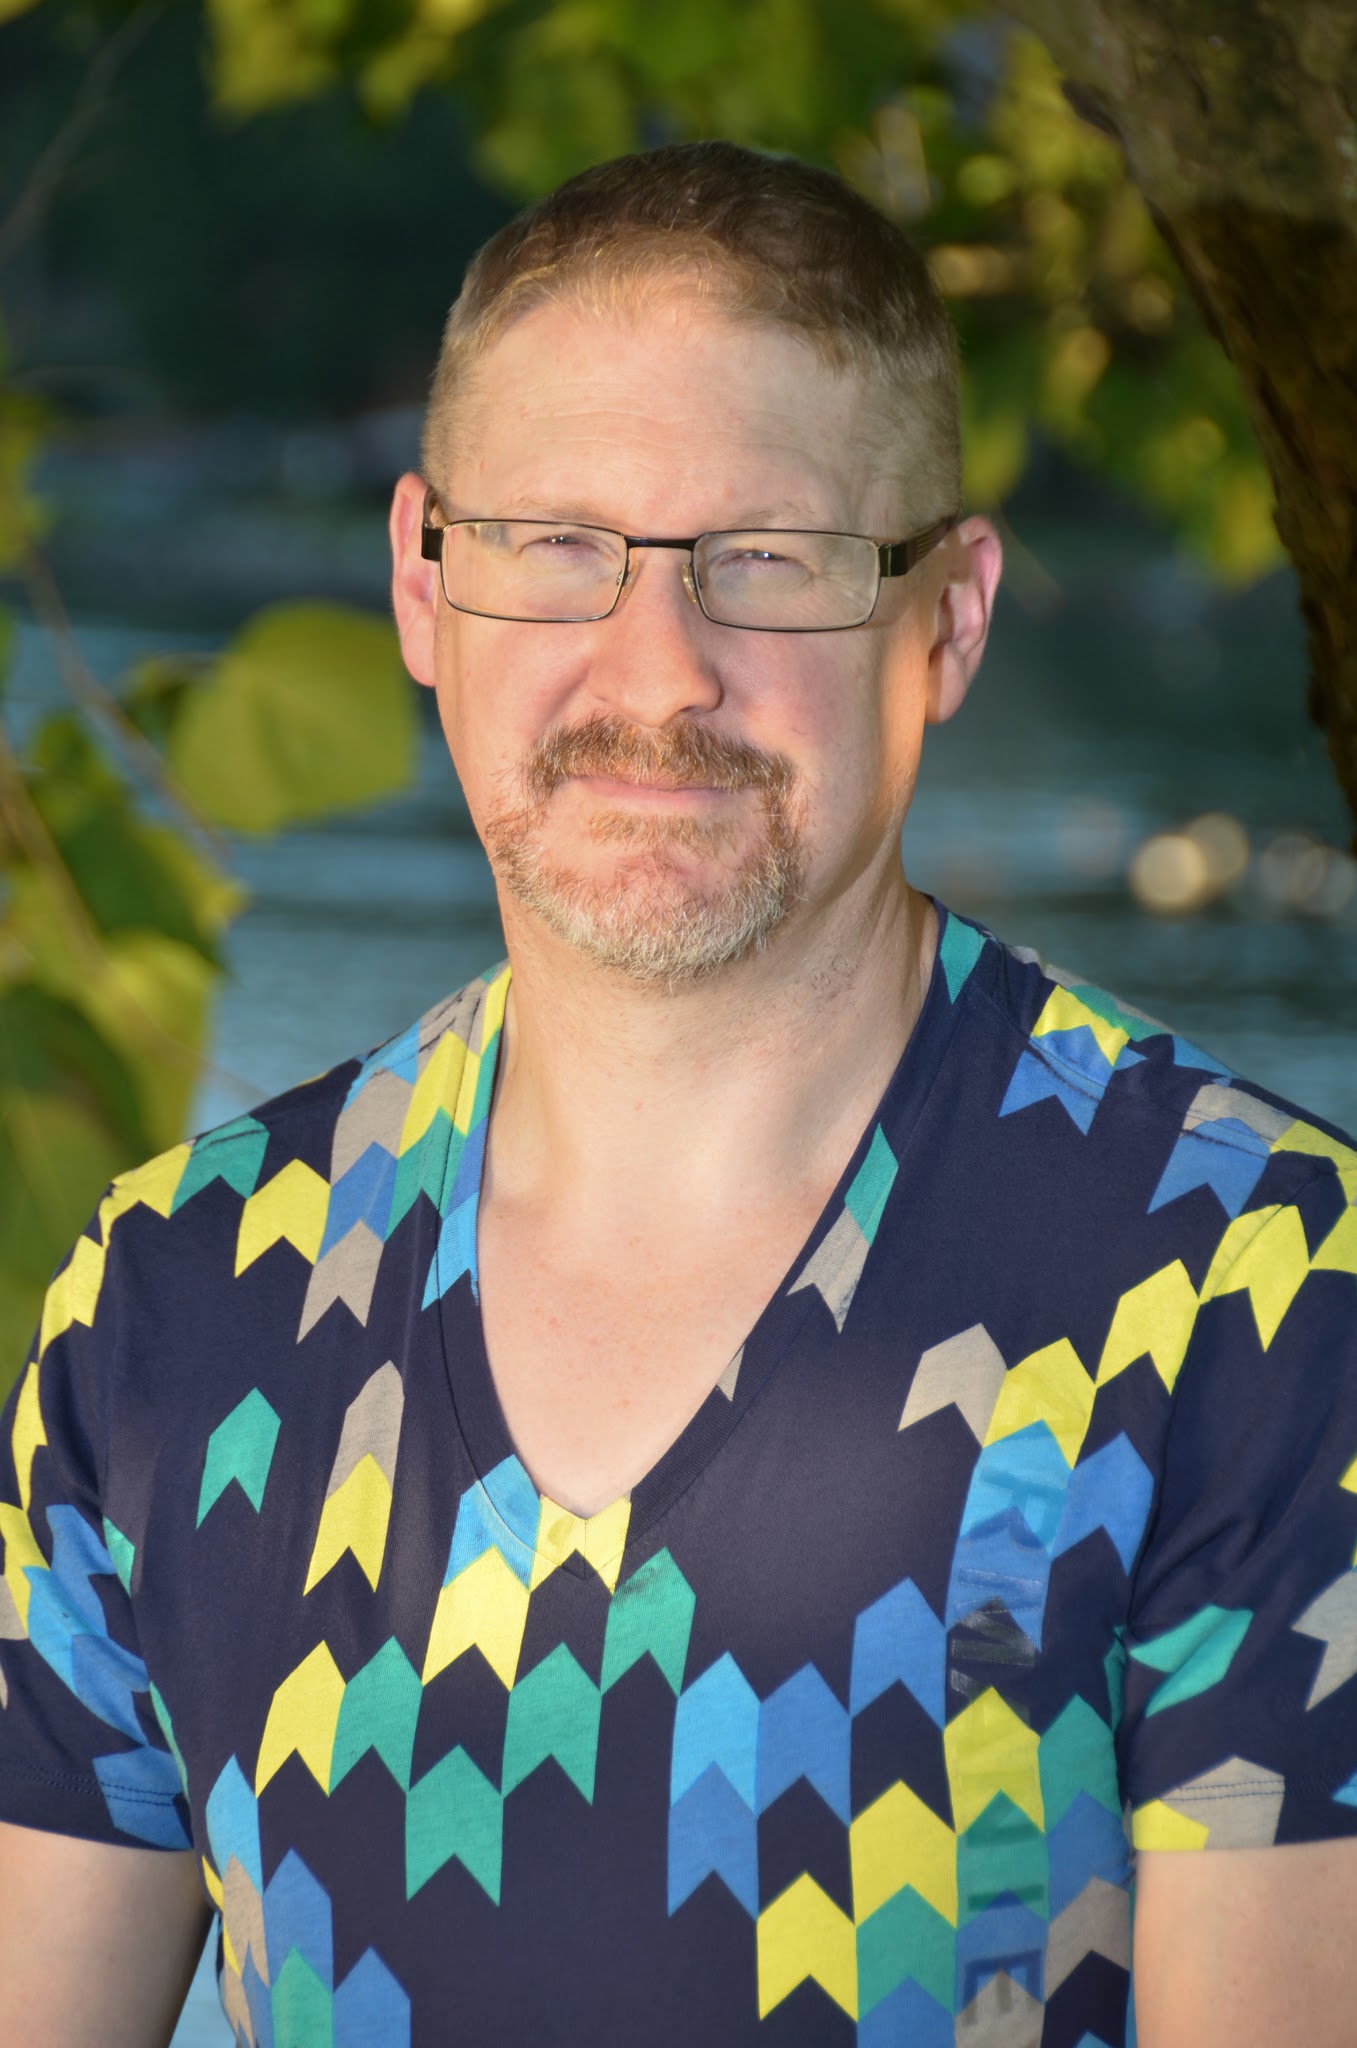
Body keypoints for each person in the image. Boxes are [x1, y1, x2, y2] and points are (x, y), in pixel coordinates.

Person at [1, 140, 1355, 2048]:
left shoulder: (1252, 1290)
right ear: (422, 584)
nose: (658, 671)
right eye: (557, 545)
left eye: (767, 560)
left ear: (948, 618)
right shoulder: (170, 1298)